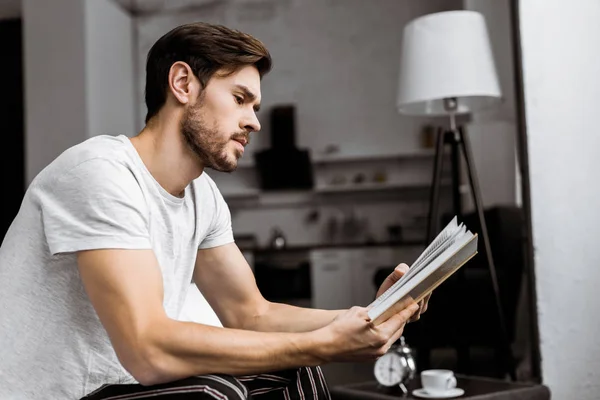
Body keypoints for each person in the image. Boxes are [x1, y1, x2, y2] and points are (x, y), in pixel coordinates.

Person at [0, 22, 428, 399]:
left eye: (255, 107)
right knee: (215, 390)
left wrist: (370, 315)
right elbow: (147, 349)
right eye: (240, 98)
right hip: (63, 393)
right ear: (183, 84)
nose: (254, 122)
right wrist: (324, 343)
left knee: (295, 372)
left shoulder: (201, 195)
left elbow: (251, 314)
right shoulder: (99, 173)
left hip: (124, 387)